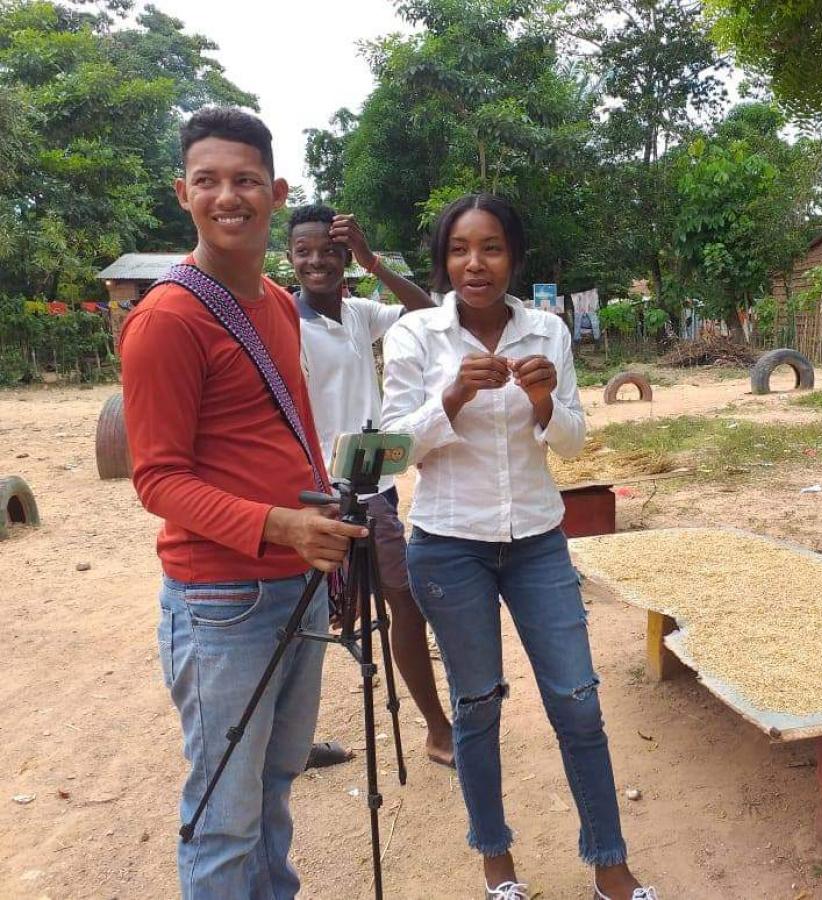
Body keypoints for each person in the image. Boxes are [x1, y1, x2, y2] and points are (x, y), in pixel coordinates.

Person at [380, 194, 657, 900]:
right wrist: (450, 397)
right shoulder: (416, 335)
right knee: (476, 706)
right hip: (448, 545)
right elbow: (392, 450)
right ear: (443, 261)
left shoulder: (547, 330)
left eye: (492, 248)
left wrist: (543, 403)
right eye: (460, 250)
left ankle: (610, 866)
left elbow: (573, 442)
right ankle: (496, 864)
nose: (475, 264)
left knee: (578, 701)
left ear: (514, 257)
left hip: (537, 539)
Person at [120, 107, 365, 899]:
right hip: (222, 599)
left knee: (274, 784)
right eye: (208, 181)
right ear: (182, 193)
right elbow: (157, 479)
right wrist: (279, 524)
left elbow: (284, 432)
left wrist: (317, 517)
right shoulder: (166, 319)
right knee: (225, 813)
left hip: (297, 580)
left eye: (245, 180)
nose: (228, 196)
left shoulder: (278, 303)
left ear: (276, 191)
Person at [284, 203, 454, 768]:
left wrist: (373, 262)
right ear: (288, 258)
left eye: (330, 251)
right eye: (304, 251)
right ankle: (290, 743)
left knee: (402, 601)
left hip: (374, 487)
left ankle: (436, 730)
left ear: (345, 256)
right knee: (298, 615)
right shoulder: (283, 321)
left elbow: (430, 313)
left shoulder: (359, 313)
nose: (317, 261)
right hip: (310, 492)